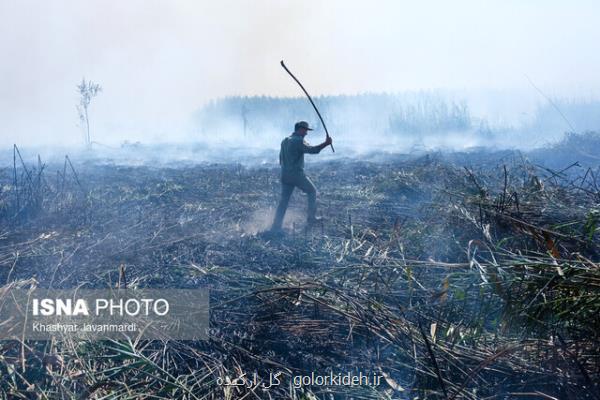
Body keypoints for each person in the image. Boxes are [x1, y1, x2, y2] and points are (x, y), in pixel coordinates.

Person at [271, 121, 332, 231]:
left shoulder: (284, 141)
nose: (306, 133)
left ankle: (276, 225)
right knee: (312, 191)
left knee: (283, 201)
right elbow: (313, 150)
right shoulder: (298, 141)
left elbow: (280, 159)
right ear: (300, 129)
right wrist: (326, 143)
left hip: (284, 174)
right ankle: (311, 218)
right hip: (296, 174)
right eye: (305, 130)